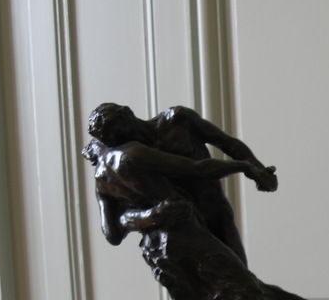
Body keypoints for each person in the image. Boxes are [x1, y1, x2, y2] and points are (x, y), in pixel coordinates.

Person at [85, 103, 277, 265]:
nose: (119, 146)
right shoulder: (125, 159)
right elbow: (113, 232)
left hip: (214, 210)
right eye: (112, 143)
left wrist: (259, 170)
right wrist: (152, 216)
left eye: (119, 137)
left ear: (128, 114)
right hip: (176, 230)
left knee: (239, 275)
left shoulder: (177, 120)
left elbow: (226, 143)